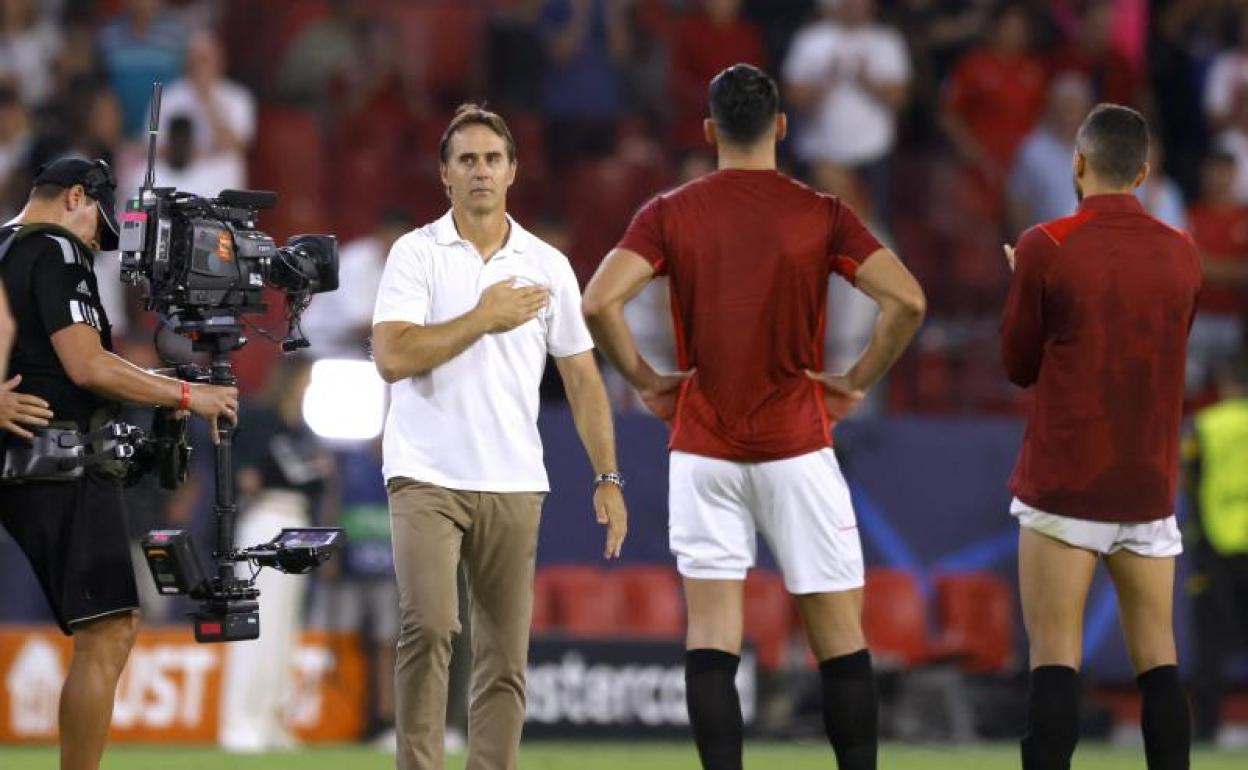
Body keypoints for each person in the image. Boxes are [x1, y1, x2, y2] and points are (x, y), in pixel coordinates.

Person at [583, 64, 926, 770]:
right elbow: (909, 301)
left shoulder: (669, 212)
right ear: (781, 125)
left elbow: (596, 302)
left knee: (712, 634)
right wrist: (856, 379)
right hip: (798, 445)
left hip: (704, 447)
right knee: (838, 634)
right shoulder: (821, 212)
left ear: (709, 131)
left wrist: (646, 379)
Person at [370, 104, 628, 770]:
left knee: (504, 657)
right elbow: (393, 357)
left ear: (513, 172)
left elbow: (582, 379)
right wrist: (484, 316)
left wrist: (608, 475)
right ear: (444, 176)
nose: (480, 171)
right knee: (429, 625)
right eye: (466, 160)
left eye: (492, 159)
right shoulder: (415, 254)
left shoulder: (549, 266)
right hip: (425, 474)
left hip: (514, 480)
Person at [0, 157, 237, 770]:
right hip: (49, 456)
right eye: (99, 231)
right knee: (108, 630)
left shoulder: (2, 245)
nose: (99, 248)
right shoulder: (53, 249)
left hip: (22, 450)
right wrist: (190, 395)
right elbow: (88, 367)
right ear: (76, 197)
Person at [1000, 104, 1201, 770]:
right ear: (1144, 172)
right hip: (1146, 483)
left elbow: (1018, 365)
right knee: (1159, 659)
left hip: (1064, 483)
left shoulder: (1043, 245)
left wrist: (1022, 285)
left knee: (1055, 653)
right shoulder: (1182, 253)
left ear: (1078, 164)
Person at [218, 356, 332, 752]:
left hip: (298, 524)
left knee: (286, 631)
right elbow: (247, 477)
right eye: (305, 379)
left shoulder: (299, 430)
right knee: (257, 627)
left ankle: (271, 721)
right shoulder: (259, 417)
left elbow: (319, 483)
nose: (308, 388)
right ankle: (240, 724)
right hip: (266, 519)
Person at [1184, 351, 1248, 746]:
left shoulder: (1206, 426)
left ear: (1225, 385)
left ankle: (1206, 730)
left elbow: (1190, 484)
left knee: (1210, 644)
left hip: (1217, 543)